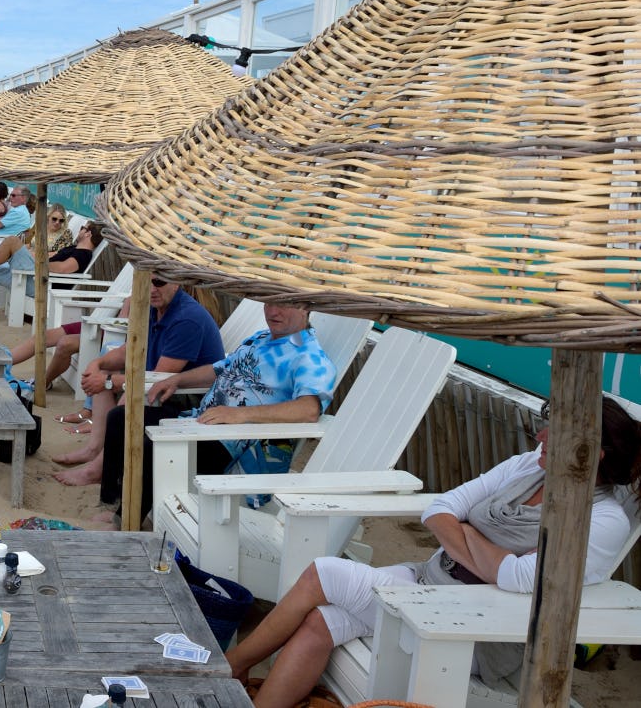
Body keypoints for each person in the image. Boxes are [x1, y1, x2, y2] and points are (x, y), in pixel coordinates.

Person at [228, 396, 641, 707]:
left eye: (557, 431)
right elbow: (440, 508)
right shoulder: (528, 467)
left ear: (594, 452)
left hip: (472, 629)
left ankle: (231, 667)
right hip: (428, 582)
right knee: (321, 621)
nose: (541, 436)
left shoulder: (603, 521)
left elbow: (517, 578)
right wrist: (485, 551)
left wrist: (465, 533)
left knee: (324, 572)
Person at [82, 303, 336, 524]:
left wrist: (240, 415)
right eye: (269, 303)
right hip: (201, 422)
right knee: (122, 418)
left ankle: (126, 521)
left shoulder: (310, 357)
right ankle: (113, 503)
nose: (272, 311)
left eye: (283, 305)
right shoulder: (260, 339)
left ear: (305, 308)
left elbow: (309, 409)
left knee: (152, 446)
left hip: (234, 443)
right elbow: (219, 369)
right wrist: (177, 380)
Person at [51, 280, 225, 488]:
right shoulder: (153, 309)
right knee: (105, 373)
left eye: (159, 282)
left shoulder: (187, 319)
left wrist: (108, 382)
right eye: (145, 282)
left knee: (129, 393)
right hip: (164, 386)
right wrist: (97, 364)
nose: (151, 289)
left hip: (192, 399)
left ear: (176, 282)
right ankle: (94, 449)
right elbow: (128, 351)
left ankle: (97, 469)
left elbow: (158, 378)